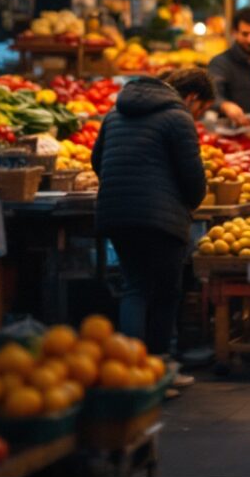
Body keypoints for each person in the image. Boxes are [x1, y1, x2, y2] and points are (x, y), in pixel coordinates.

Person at [92, 68, 214, 384]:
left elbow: (97, 161)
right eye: (202, 109)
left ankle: (131, 374)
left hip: (116, 213)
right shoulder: (178, 117)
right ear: (192, 98)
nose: (198, 116)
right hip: (161, 218)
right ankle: (161, 372)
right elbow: (193, 178)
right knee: (165, 293)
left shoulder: (114, 112)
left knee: (135, 288)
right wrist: (192, 199)